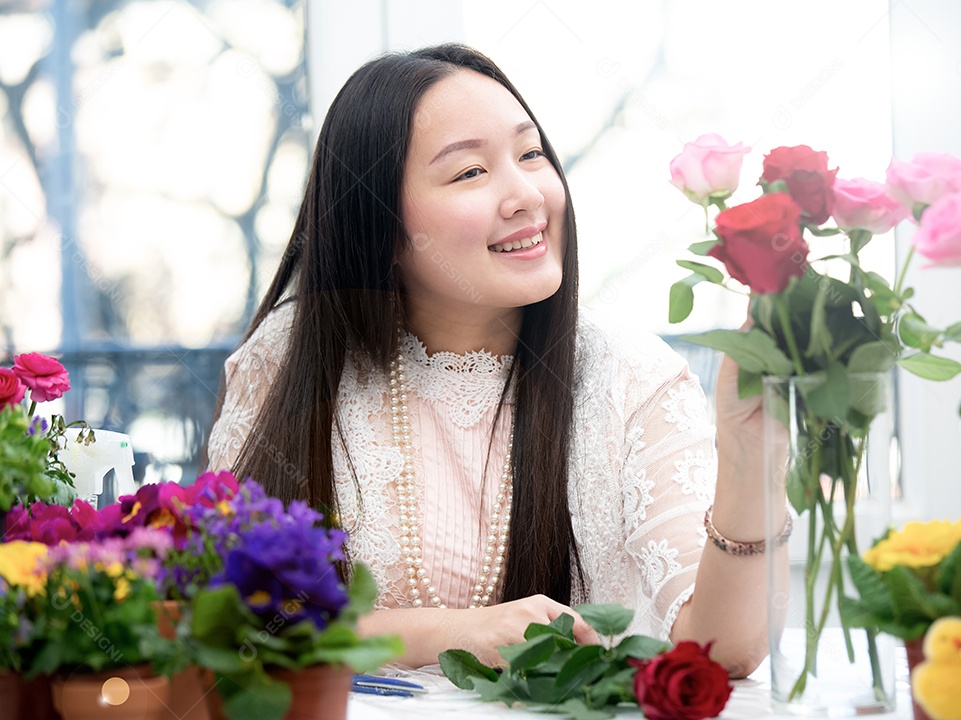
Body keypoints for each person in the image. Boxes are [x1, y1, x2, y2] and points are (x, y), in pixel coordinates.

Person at [206, 43, 788, 675]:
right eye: (470, 173)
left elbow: (720, 653)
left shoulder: (632, 377)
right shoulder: (290, 362)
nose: (526, 195)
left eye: (530, 154)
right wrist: (454, 633)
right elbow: (238, 623)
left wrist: (750, 453)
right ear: (382, 228)